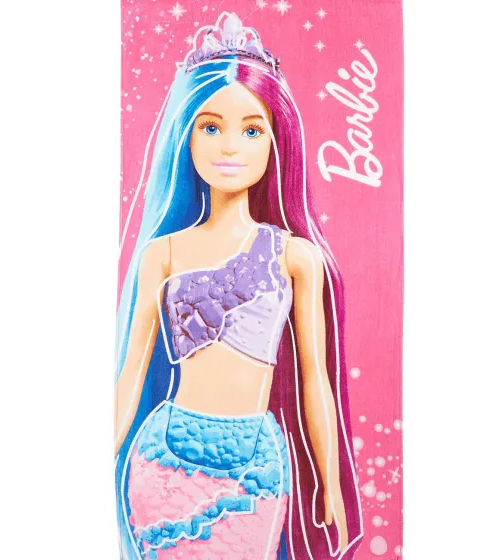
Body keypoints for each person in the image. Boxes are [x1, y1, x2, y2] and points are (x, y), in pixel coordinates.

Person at [114, 11, 364, 560]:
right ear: (186, 136)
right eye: (211, 127)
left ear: (276, 143)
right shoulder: (163, 253)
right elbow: (130, 373)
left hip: (254, 466)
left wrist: (330, 480)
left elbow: (315, 381)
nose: (230, 147)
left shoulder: (296, 257)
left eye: (252, 130)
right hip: (164, 459)